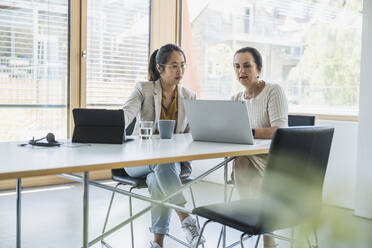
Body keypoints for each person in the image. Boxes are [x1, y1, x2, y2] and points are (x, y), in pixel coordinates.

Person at [122, 44, 205, 248]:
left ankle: (157, 244)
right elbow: (125, 114)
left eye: (183, 66)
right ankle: (186, 220)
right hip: (138, 160)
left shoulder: (189, 96)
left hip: (170, 164)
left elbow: (195, 133)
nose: (180, 71)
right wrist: (110, 126)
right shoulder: (144, 89)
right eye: (174, 66)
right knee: (162, 166)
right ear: (159, 69)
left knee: (158, 177)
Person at [231, 47, 288, 248]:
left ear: (259, 68)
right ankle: (250, 220)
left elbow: (279, 130)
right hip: (247, 157)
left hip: (273, 160)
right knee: (240, 162)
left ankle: (267, 237)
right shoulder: (236, 99)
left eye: (247, 65)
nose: (241, 71)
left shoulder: (273, 91)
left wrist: (249, 131)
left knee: (257, 185)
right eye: (237, 66)